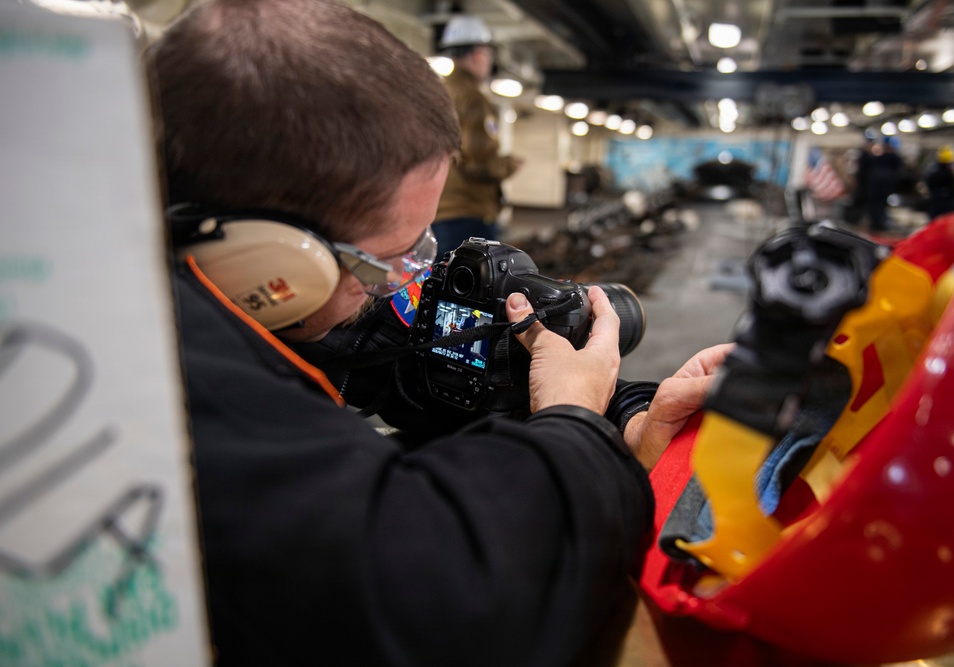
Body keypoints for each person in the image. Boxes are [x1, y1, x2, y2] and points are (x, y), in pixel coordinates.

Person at [146, 1, 725, 664]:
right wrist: (571, 419)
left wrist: (621, 412)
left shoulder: (252, 301)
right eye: (379, 261)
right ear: (268, 262)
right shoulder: (164, 365)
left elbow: (393, 360)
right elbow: (457, 600)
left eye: (417, 250)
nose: (399, 284)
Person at [431, 15, 523, 261]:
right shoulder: (473, 99)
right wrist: (509, 164)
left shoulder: (438, 91)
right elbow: (479, 161)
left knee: (438, 284)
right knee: (472, 291)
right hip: (468, 211)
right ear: (478, 55)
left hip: (437, 208)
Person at [866, 136, 903, 232]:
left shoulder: (893, 159)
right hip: (877, 187)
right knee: (875, 206)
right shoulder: (878, 159)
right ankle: (876, 223)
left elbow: (897, 174)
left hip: (883, 187)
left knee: (881, 206)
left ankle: (879, 223)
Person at [924, 145, 954, 219]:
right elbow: (953, 190)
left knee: (934, 220)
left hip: (935, 201)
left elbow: (929, 184)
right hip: (945, 203)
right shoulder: (949, 174)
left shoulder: (934, 171)